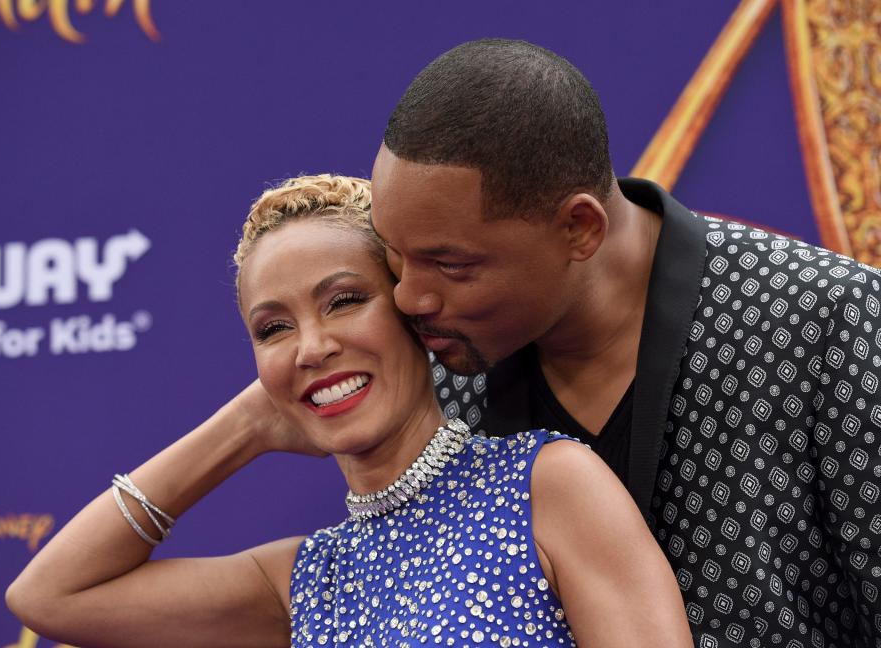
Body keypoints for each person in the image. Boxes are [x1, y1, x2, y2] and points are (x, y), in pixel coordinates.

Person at [5, 174, 692, 647]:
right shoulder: (304, 581)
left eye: (343, 301)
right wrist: (245, 427)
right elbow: (50, 598)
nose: (312, 346)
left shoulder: (548, 483)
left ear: (411, 312)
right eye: (273, 329)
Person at [366, 39, 881, 648]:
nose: (408, 299)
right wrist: (252, 425)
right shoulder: (437, 376)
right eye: (395, 255)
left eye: (450, 265)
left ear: (580, 228)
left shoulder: (829, 322)